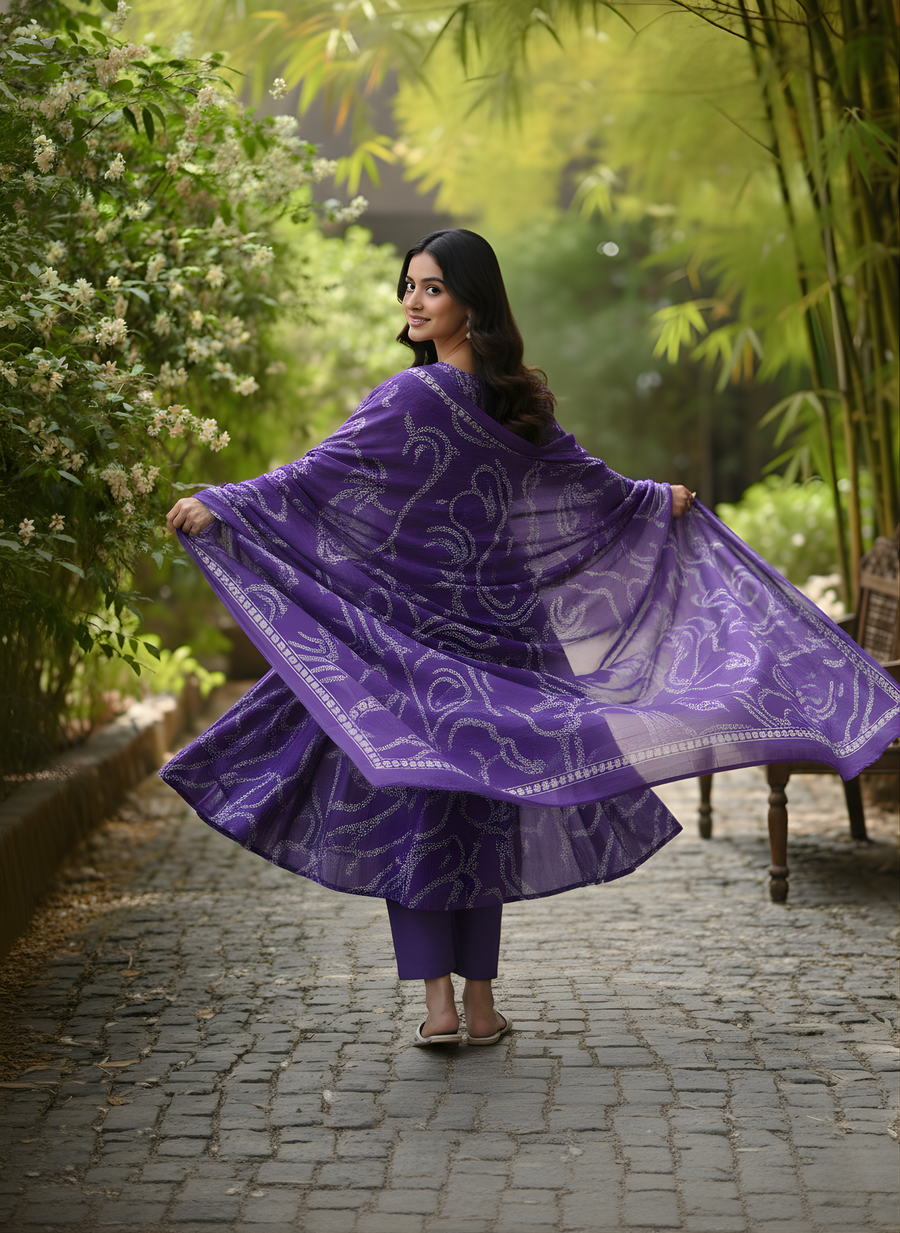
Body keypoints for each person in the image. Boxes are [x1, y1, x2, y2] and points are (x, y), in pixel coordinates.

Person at [163, 229, 899, 1047]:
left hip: (437, 641)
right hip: (497, 637)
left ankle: (445, 1009)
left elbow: (328, 479)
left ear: (471, 302)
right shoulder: (500, 402)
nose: (412, 300)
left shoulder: (432, 403)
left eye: (430, 287)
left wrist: (225, 504)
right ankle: (473, 1009)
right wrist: (655, 499)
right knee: (478, 819)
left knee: (423, 809)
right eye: (407, 286)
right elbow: (337, 476)